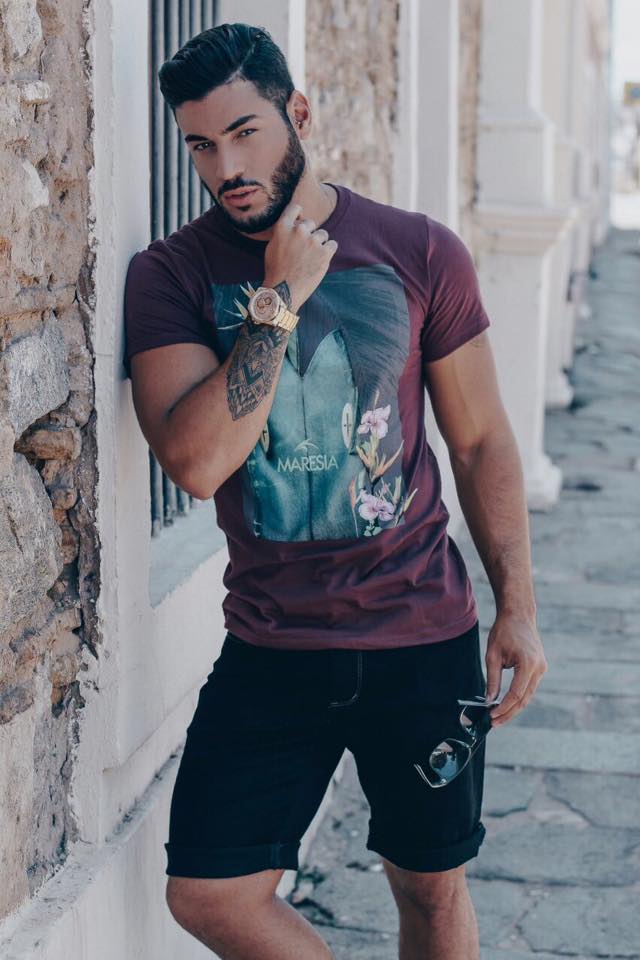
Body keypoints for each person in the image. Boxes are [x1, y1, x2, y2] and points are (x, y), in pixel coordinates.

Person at [123, 21, 547, 960]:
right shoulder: (170, 275)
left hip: (422, 635)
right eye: (201, 145)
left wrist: (516, 606)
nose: (227, 167)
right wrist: (276, 302)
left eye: (245, 132)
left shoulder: (419, 250)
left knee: (432, 890)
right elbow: (197, 463)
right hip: (273, 643)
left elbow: (480, 440)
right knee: (210, 895)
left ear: (299, 115)